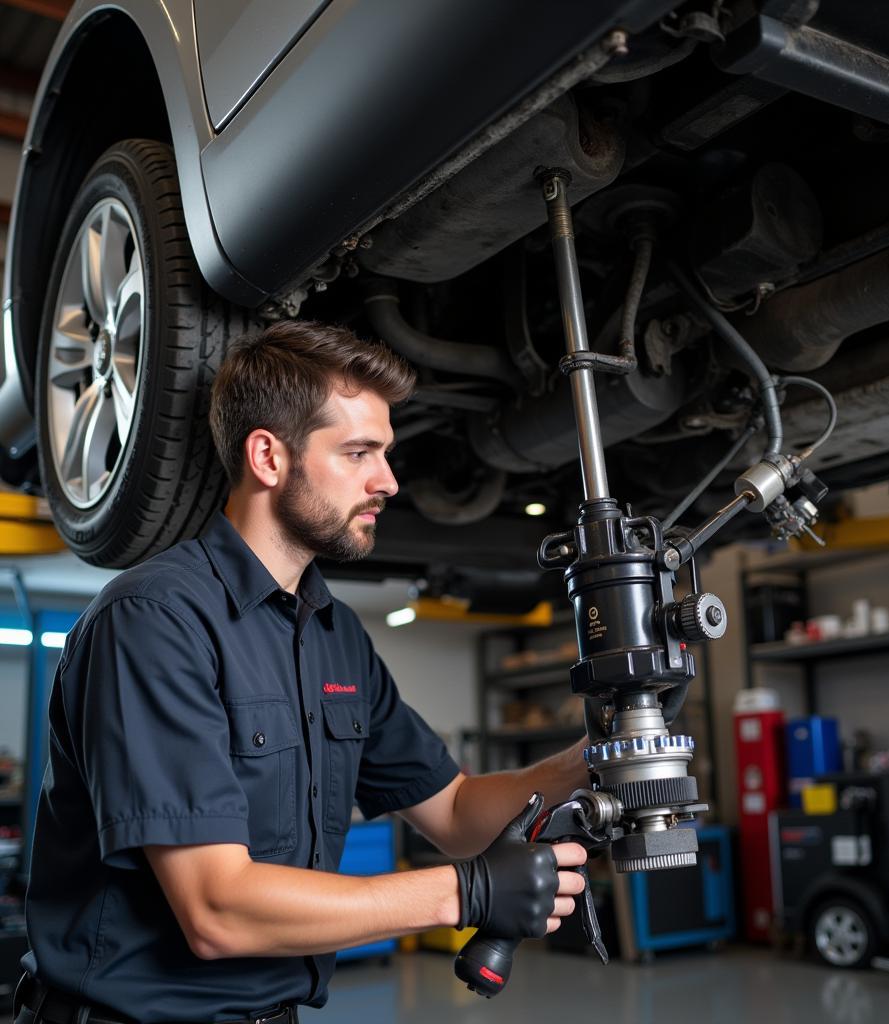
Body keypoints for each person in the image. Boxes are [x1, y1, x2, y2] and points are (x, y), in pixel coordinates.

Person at [17, 322, 589, 1024]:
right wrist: (464, 895)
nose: (388, 481)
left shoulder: (334, 634)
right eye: (359, 453)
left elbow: (458, 813)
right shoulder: (155, 621)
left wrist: (597, 757)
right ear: (268, 456)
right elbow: (215, 909)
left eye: (386, 453)